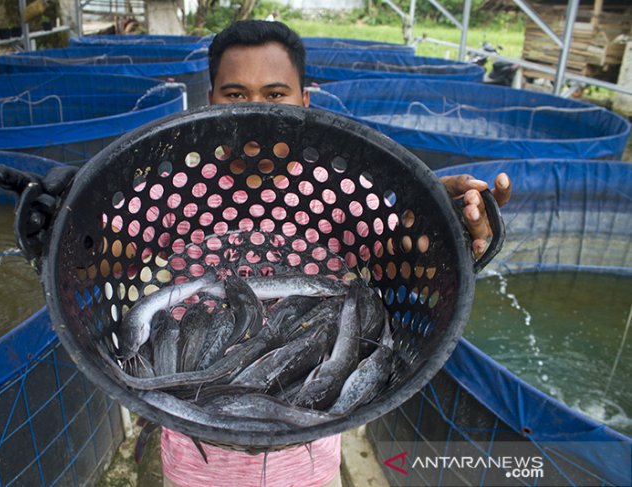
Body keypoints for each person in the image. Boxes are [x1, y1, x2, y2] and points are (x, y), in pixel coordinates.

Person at [156, 20, 512, 487]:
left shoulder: (338, 189)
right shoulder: (174, 190)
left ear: (306, 101)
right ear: (210, 101)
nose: (258, 114)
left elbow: (400, 261)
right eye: (236, 95)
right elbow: (98, 252)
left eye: (276, 94)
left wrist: (432, 219)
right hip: (195, 458)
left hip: (307, 460)